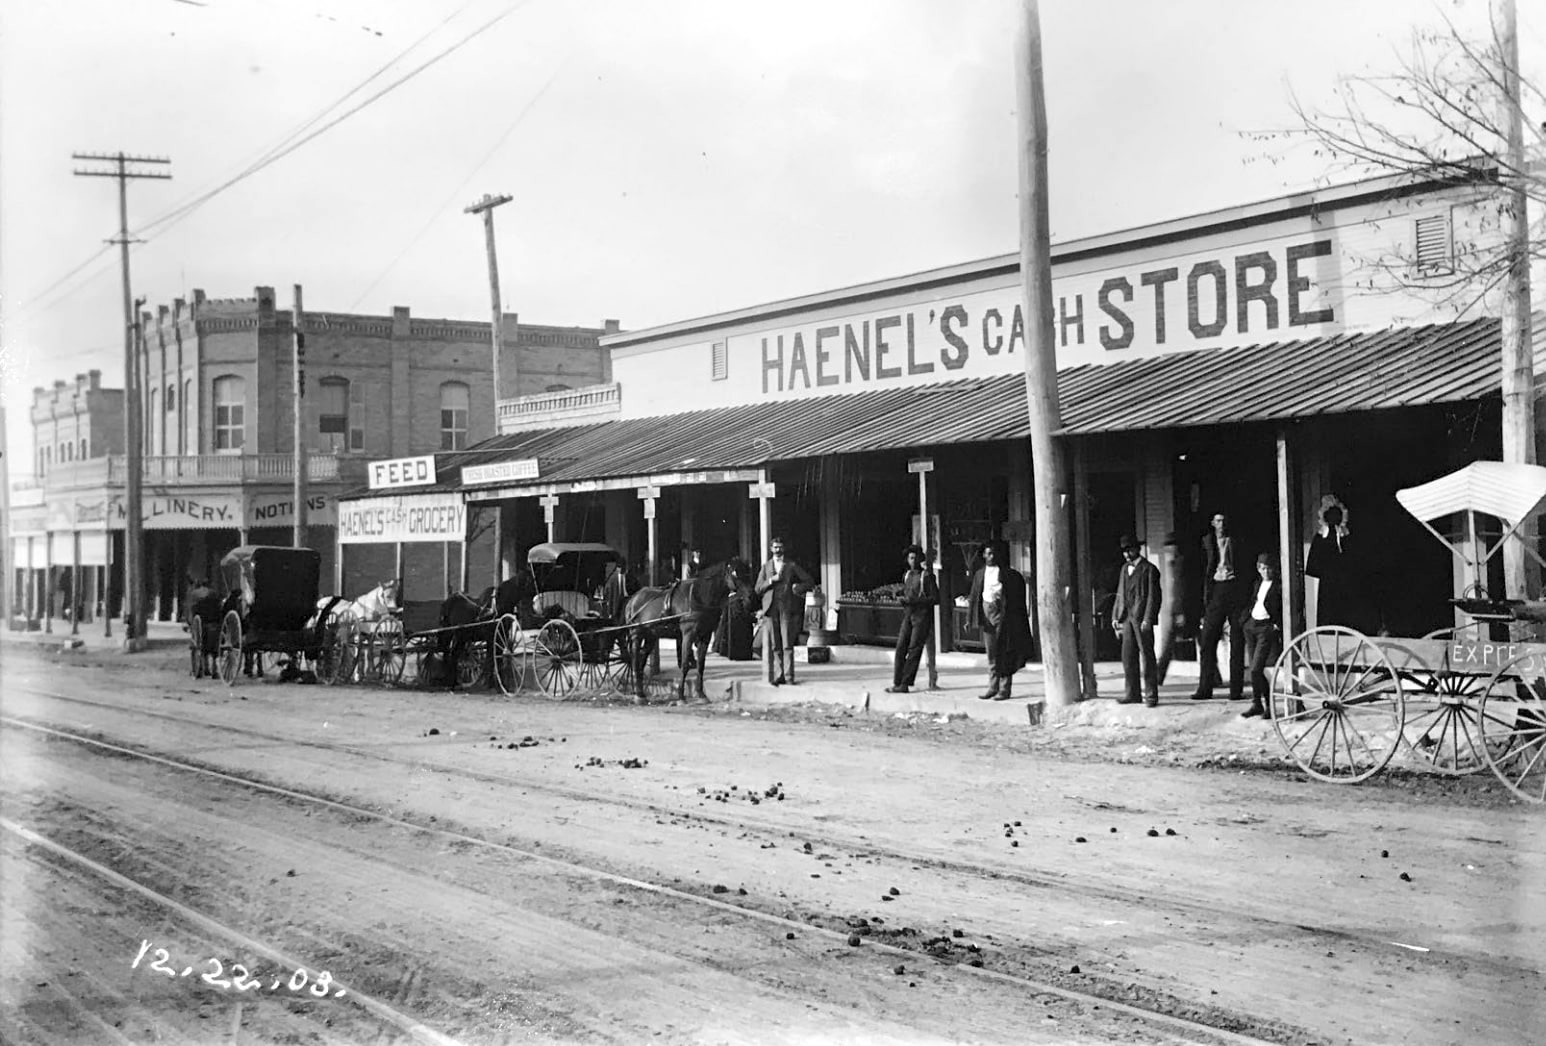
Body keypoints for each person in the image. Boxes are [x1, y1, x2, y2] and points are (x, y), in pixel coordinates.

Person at [1191, 511, 1251, 701]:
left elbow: (1247, 568)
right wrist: (1202, 601)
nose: (1221, 524)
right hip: (1215, 591)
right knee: (1207, 641)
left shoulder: (1237, 541)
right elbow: (1199, 571)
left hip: (1234, 590)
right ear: (1212, 523)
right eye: (1218, 521)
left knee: (1237, 642)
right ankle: (1205, 688)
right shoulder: (1206, 543)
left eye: (1224, 521)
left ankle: (1236, 690)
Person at [966, 539, 1033, 701]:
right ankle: (992, 686)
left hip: (1002, 616)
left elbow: (1014, 600)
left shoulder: (1008, 574)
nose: (991, 556)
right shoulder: (980, 574)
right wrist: (969, 618)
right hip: (986, 615)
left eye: (994, 553)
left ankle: (1004, 688)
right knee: (991, 654)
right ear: (984, 555)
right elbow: (974, 597)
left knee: (1004, 652)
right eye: (988, 553)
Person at [1304, 495, 1377, 633]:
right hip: (1330, 586)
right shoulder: (1321, 537)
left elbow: (1356, 563)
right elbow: (1313, 568)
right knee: (1330, 614)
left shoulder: (1346, 538)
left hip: (1345, 586)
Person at [754, 536, 814, 685]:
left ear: (783, 548)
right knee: (775, 644)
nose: (778, 550)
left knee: (787, 643)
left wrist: (797, 588)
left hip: (786, 608)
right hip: (771, 608)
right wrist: (770, 581)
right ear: (771, 549)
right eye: (775, 547)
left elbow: (809, 580)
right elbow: (757, 588)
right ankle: (779, 674)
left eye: (780, 547)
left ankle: (789, 676)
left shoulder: (791, 565)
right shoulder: (766, 567)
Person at [1110, 534, 1162, 706]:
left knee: (1147, 656)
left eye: (1129, 550)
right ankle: (1132, 693)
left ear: (1137, 549)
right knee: (1128, 656)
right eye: (1124, 551)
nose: (1126, 554)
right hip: (1127, 619)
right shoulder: (1125, 569)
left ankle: (1151, 695)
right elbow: (1120, 594)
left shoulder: (1150, 569)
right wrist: (1116, 616)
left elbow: (1154, 598)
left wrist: (1148, 618)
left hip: (1142, 619)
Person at [886, 544, 939, 694]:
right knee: (901, 647)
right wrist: (901, 597)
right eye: (910, 558)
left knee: (914, 649)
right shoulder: (907, 575)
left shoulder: (926, 576)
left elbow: (935, 598)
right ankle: (897, 681)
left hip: (922, 616)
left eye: (915, 558)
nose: (913, 561)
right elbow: (906, 592)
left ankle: (905, 683)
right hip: (908, 614)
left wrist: (914, 601)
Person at [1241, 553, 1283, 719]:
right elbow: (1254, 601)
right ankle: (1256, 704)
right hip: (1252, 626)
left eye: (1268, 568)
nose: (1265, 572)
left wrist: (1276, 624)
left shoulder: (1278, 586)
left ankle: (1269, 706)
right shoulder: (1258, 583)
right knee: (1253, 670)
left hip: (1265, 628)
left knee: (1257, 669)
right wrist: (1245, 620)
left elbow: (1282, 606)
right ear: (1258, 569)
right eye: (1262, 568)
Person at [1155, 531, 1185, 684]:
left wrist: (1179, 611)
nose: (1168, 550)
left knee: (1167, 644)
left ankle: (1158, 676)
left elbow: (1179, 589)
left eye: (1170, 546)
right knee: (1167, 644)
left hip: (1179, 609)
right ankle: (1159, 676)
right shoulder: (1168, 564)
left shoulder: (1179, 564)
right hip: (1170, 609)